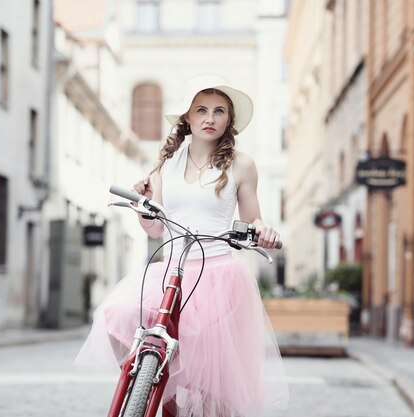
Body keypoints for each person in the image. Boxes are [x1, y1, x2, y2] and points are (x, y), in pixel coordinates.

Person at [74, 75, 289, 417]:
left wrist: (263, 231)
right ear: (187, 117)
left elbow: (252, 222)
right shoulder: (166, 166)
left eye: (219, 111)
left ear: (229, 120)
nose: (209, 118)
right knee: (118, 317)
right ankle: (146, 385)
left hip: (218, 276)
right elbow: (156, 228)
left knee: (213, 385)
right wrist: (143, 205)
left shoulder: (241, 165)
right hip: (170, 270)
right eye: (201, 110)